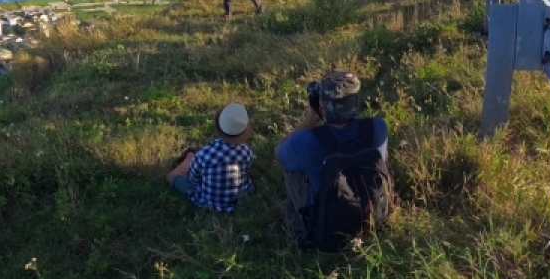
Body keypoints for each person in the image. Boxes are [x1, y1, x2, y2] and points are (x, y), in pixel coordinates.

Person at [276, 71, 390, 249]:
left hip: (326, 228)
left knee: (292, 167)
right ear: (356, 102)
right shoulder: (378, 126)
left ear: (322, 106)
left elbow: (278, 154)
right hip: (372, 216)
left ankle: (298, 222)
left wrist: (311, 119)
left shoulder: (303, 141)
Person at [165, 103, 254, 213]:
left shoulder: (205, 153)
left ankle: (189, 155)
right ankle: (190, 154)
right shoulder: (246, 151)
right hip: (239, 200)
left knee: (172, 176)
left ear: (219, 128)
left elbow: (193, 179)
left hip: (208, 202)